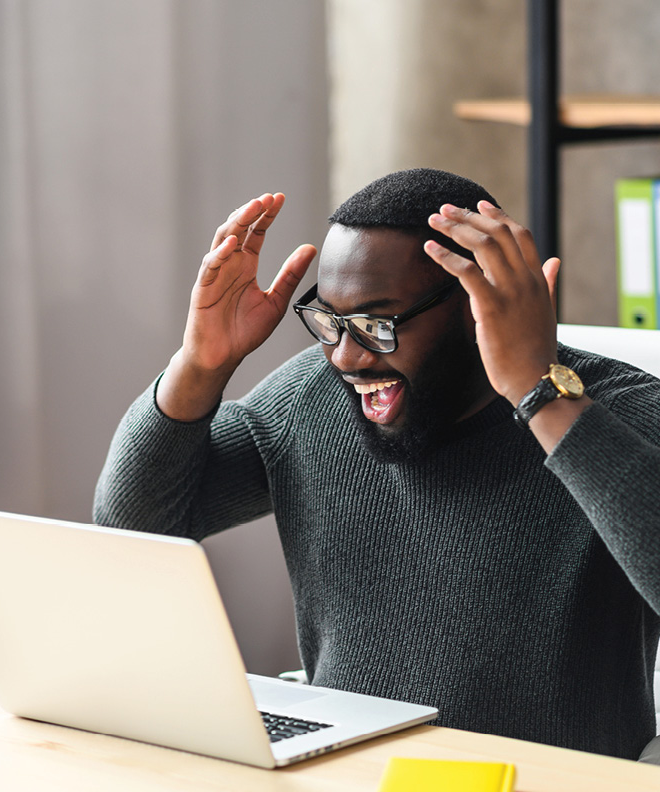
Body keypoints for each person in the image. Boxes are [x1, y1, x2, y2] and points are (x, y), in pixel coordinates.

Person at [93, 169, 660, 760]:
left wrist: (537, 390)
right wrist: (200, 365)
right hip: (343, 772)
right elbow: (138, 524)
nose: (347, 355)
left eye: (376, 324)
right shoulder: (312, 397)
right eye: (331, 322)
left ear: (476, 301)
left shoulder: (616, 412)